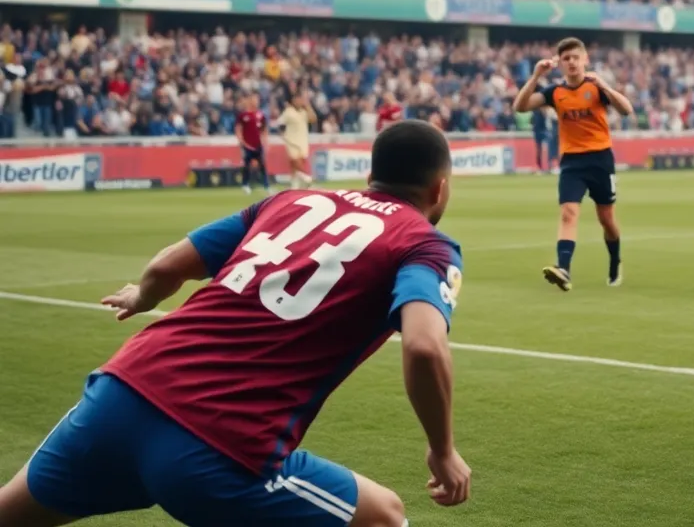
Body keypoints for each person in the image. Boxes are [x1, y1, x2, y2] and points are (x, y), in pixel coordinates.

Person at [0, 120, 471, 526]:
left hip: (119, 393)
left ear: (370, 176)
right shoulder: (425, 244)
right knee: (384, 516)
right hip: (217, 443)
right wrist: (443, 450)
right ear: (439, 189)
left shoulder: (288, 201)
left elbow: (167, 266)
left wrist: (142, 296)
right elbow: (424, 347)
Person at [512, 38, 634, 289]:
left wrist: (605, 86)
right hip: (572, 162)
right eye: (566, 59)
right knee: (568, 213)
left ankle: (615, 261)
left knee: (606, 219)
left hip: (601, 159)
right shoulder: (555, 92)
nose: (571, 63)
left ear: (585, 59)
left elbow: (626, 110)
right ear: (560, 64)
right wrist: (536, 76)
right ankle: (564, 269)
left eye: (575, 57)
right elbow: (520, 106)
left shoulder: (596, 87)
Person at [276, 91, 317, 190]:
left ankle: (294, 187)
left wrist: (308, 106)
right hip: (291, 141)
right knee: (296, 162)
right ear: (293, 100)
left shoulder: (304, 112)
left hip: (303, 141)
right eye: (297, 99)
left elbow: (313, 119)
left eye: (301, 99)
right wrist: (282, 134)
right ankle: (308, 179)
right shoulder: (288, 112)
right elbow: (280, 123)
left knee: (295, 167)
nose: (300, 101)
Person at [237, 93, 271, 195]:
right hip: (247, 145)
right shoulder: (243, 115)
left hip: (258, 144)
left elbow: (264, 129)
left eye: (257, 100)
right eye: (254, 100)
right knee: (247, 165)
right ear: (250, 101)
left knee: (262, 165)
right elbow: (238, 129)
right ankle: (245, 185)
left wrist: (265, 142)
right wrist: (241, 141)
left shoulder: (261, 115)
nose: (256, 102)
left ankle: (266, 185)